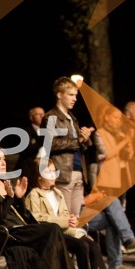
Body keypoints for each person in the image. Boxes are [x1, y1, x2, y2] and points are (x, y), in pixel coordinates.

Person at [24, 158, 116, 269]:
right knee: (82, 246)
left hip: (65, 231)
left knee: (93, 245)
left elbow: (65, 214)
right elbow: (36, 218)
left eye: (55, 171)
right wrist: (64, 221)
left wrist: (71, 220)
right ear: (39, 175)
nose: (53, 175)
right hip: (51, 235)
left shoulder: (57, 193)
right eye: (49, 172)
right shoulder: (34, 194)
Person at [41, 77, 93, 217]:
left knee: (75, 219)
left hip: (78, 173)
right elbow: (50, 143)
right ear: (59, 95)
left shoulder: (72, 118)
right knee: (64, 219)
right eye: (71, 95)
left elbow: (80, 144)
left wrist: (85, 139)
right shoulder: (50, 117)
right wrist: (78, 141)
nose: (75, 98)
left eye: (75, 95)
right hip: (63, 174)